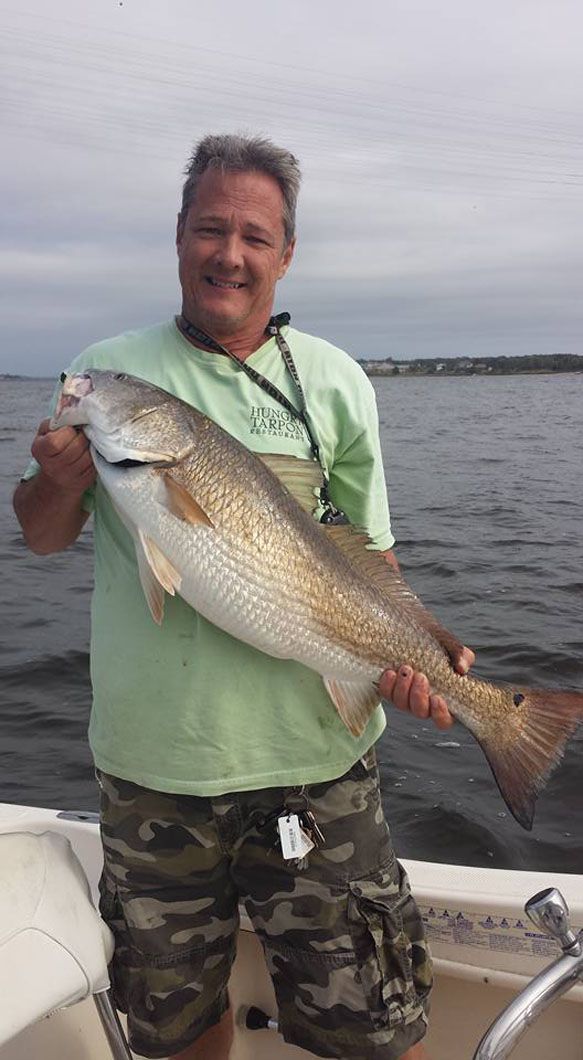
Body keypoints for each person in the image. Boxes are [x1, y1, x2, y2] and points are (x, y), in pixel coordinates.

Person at [14, 134, 474, 1060]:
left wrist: (425, 652)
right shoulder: (106, 364)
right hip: (155, 772)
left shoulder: (337, 381)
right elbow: (41, 533)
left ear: (285, 252)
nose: (230, 252)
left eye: (254, 236)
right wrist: (57, 478)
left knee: (375, 1037)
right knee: (176, 1029)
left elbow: (370, 560)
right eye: (210, 228)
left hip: (318, 763)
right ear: (179, 237)